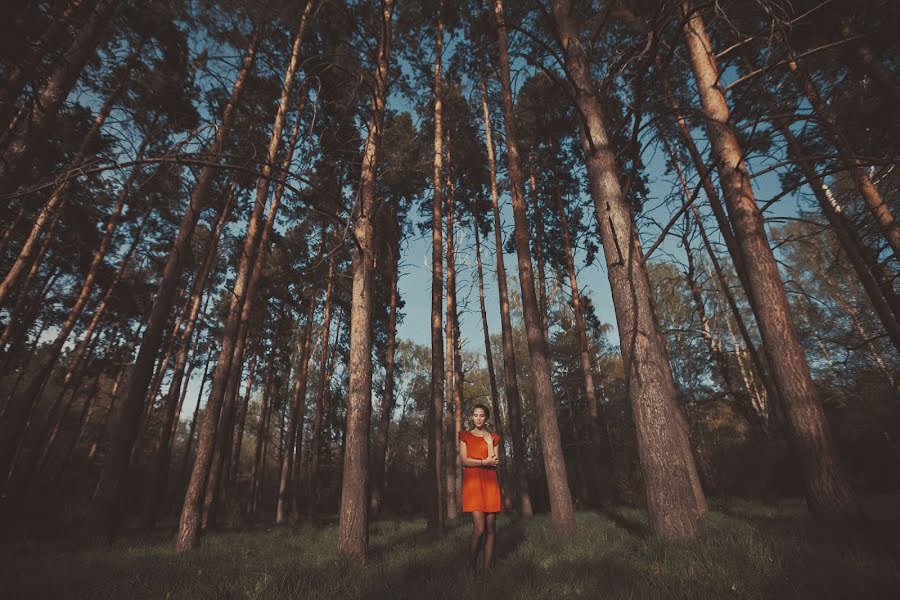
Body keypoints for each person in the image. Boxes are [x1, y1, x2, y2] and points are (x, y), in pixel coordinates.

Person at [458, 403, 501, 571]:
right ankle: (471, 567)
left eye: (481, 415)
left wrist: (489, 443)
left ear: (486, 418)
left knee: (491, 529)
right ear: (472, 417)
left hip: (490, 483)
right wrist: (484, 462)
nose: (478, 418)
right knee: (479, 528)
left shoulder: (494, 438)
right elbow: (465, 460)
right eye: (475, 415)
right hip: (473, 484)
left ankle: (488, 569)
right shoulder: (465, 436)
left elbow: (495, 462)